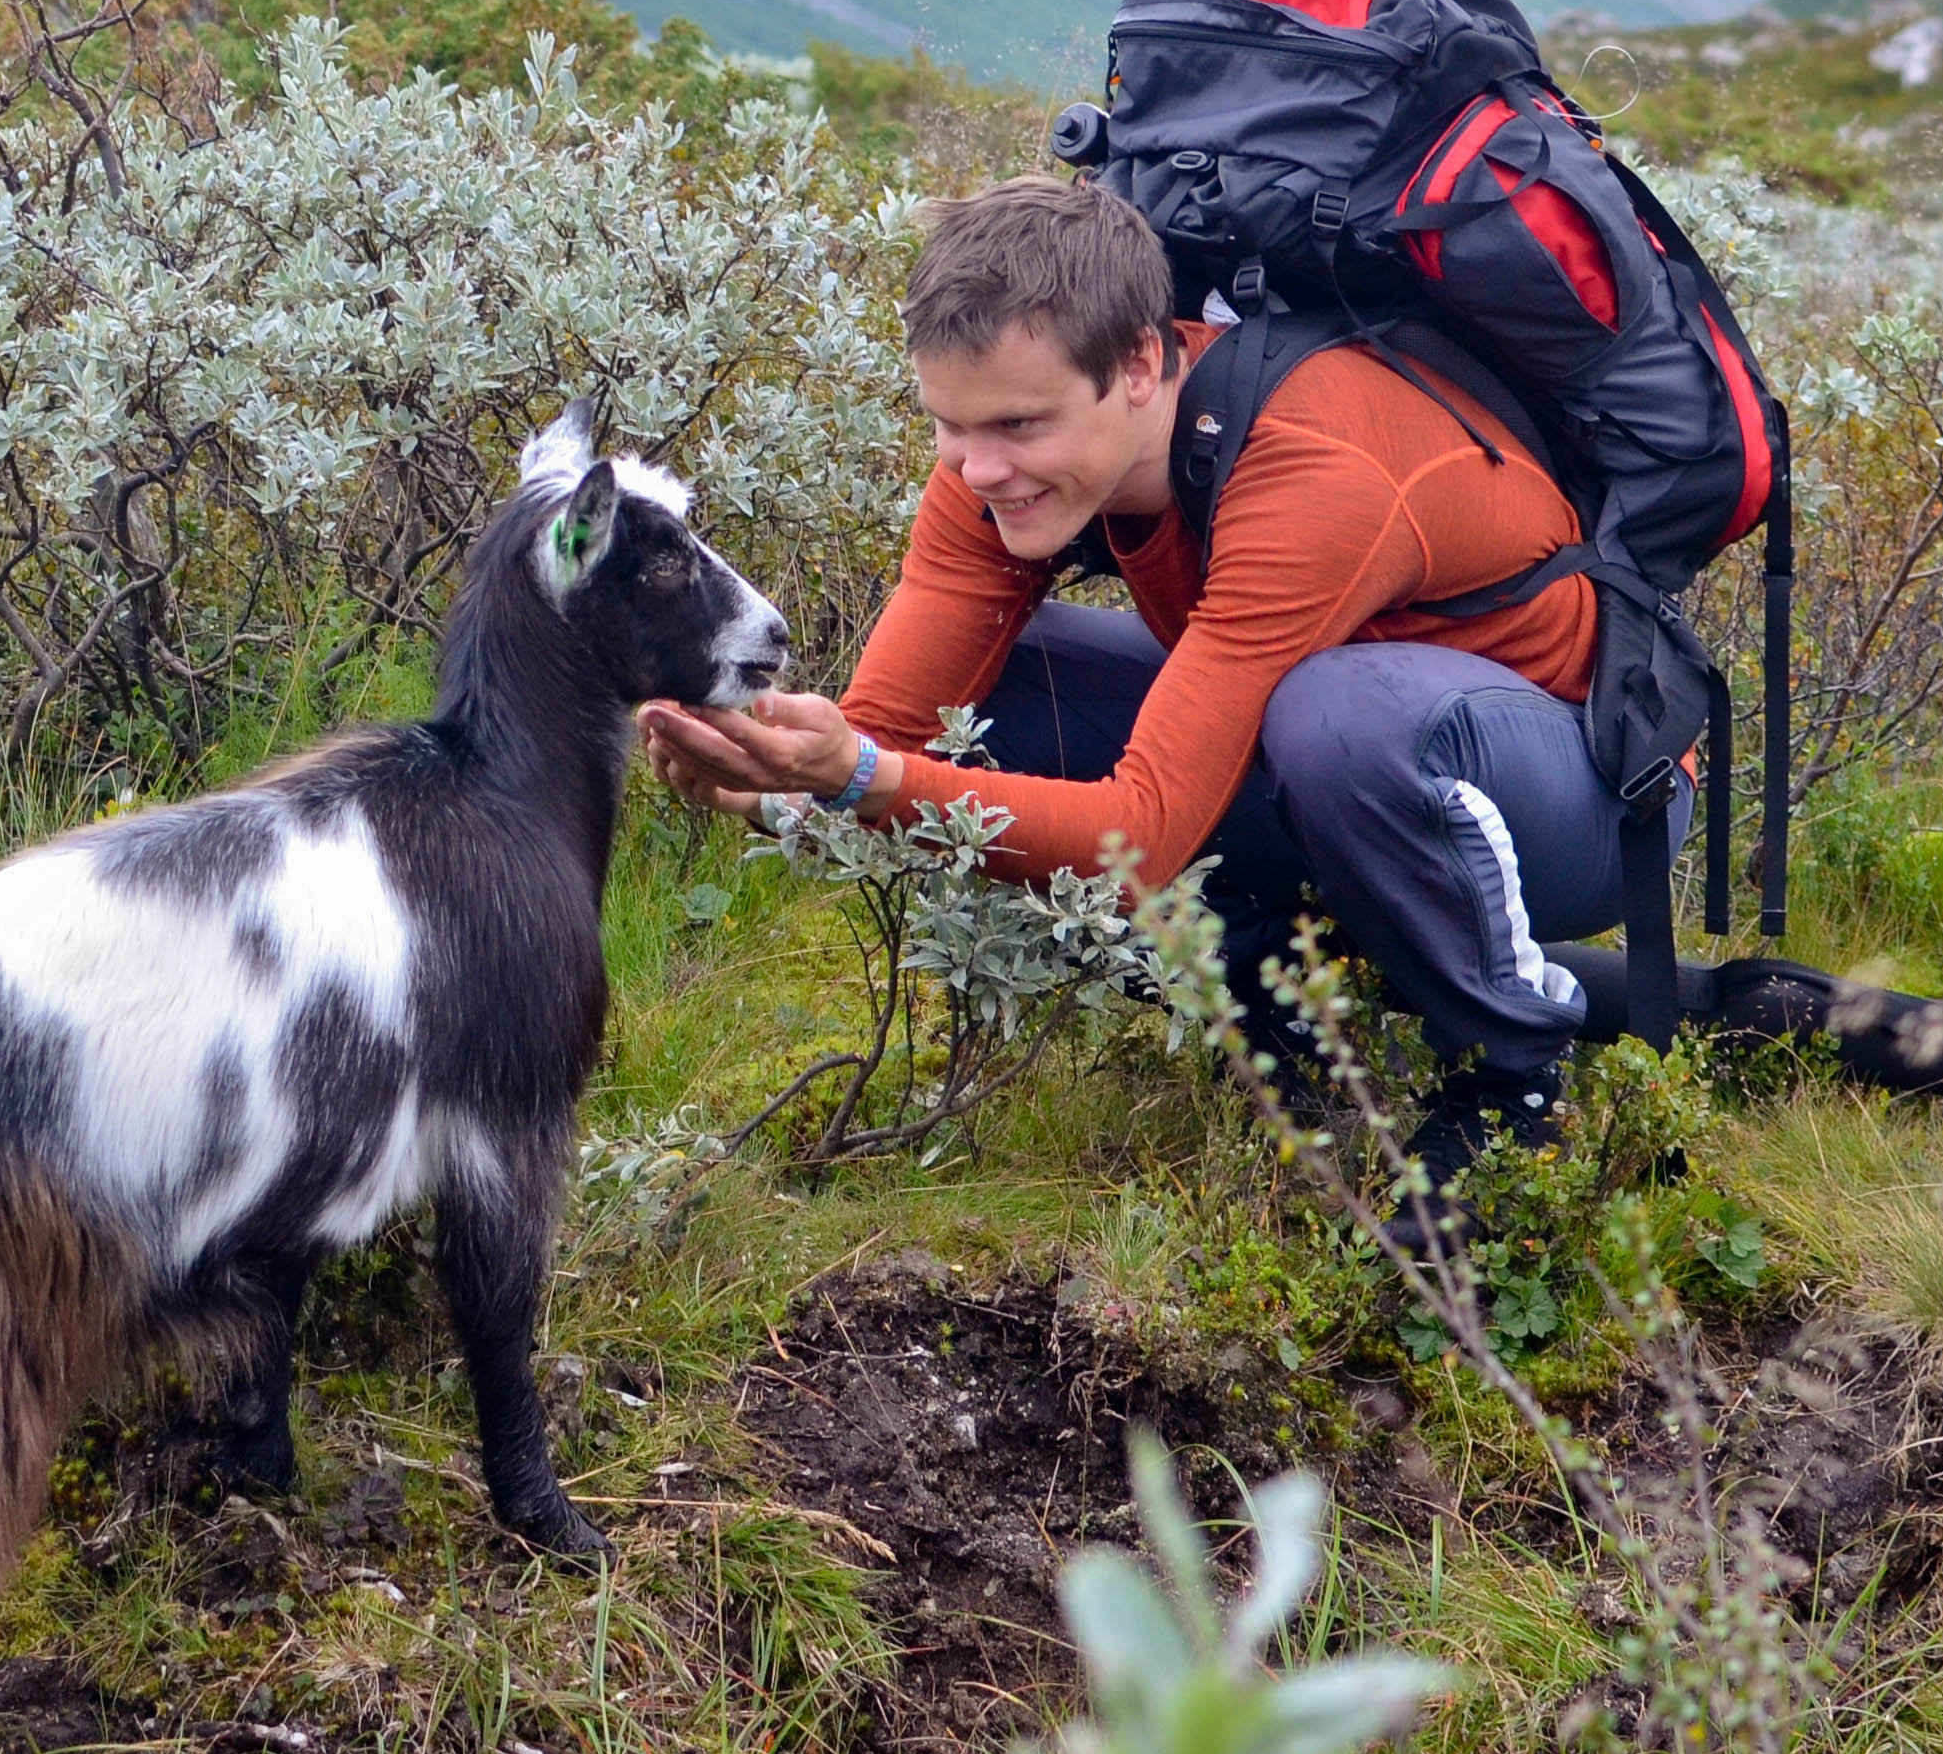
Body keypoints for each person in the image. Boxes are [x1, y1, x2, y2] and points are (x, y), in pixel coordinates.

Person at [637, 172, 1664, 1219]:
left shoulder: (1310, 467)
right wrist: (761, 779)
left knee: (1338, 715)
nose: (977, 469)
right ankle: (1283, 1017)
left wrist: (853, 774)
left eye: (1017, 427)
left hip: (1573, 800)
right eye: (949, 427)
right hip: (1341, 775)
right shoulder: (997, 463)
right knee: (990, 709)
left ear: (1136, 363)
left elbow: (1131, 843)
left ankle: (1511, 1082)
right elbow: (887, 744)